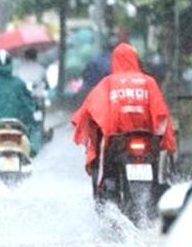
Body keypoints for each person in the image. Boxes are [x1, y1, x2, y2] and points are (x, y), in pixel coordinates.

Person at [71, 42, 176, 178]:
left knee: (105, 163)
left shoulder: (108, 83)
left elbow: (91, 108)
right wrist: (165, 139)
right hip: (147, 135)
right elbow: (161, 112)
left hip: (116, 136)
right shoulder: (148, 82)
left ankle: (104, 183)